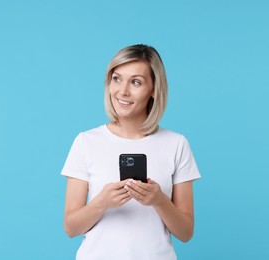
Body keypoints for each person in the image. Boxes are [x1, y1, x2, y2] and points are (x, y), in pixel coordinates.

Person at [61, 44, 201, 260]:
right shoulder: (86, 142)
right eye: (117, 78)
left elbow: (185, 232)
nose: (123, 91)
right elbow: (71, 227)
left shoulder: (176, 144)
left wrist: (160, 200)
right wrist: (102, 202)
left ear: (154, 88)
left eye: (136, 82)